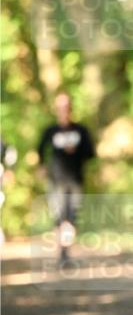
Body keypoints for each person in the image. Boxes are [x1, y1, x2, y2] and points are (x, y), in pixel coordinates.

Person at [38, 92, 95, 267]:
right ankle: (62, 253)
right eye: (60, 107)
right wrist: (42, 167)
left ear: (71, 108)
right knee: (59, 217)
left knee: (71, 218)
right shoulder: (50, 130)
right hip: (56, 181)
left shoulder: (81, 131)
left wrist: (75, 151)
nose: (63, 110)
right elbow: (40, 150)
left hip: (75, 180)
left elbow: (91, 153)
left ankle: (65, 253)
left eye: (66, 106)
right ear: (56, 109)